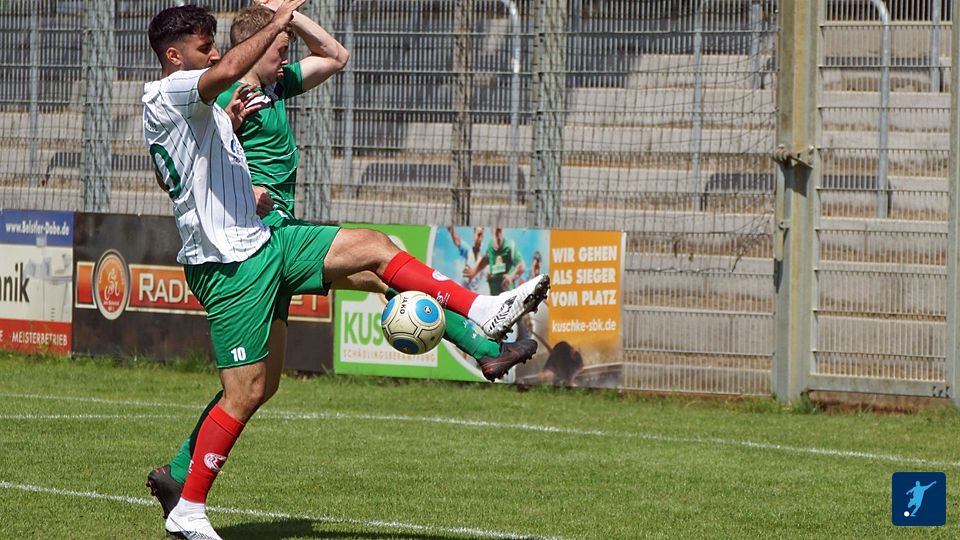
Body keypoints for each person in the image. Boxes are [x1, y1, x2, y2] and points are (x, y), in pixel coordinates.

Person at [142, 4, 549, 538]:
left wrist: (232, 140)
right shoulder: (176, 88)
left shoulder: (207, 100)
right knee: (246, 391)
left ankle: (482, 313)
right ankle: (187, 502)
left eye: (217, 44)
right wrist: (278, 19)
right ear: (175, 56)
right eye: (205, 47)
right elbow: (227, 76)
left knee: (374, 251)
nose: (216, 54)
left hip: (264, 241)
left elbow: (187, 165)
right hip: (230, 261)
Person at [464, 227, 524, 296]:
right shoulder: (490, 245)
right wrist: (474, 272)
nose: (497, 236)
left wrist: (511, 276)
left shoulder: (510, 245)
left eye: (499, 231)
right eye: (495, 232)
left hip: (507, 294)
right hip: (493, 294)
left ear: (502, 231)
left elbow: (521, 266)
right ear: (491, 232)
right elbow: (486, 259)